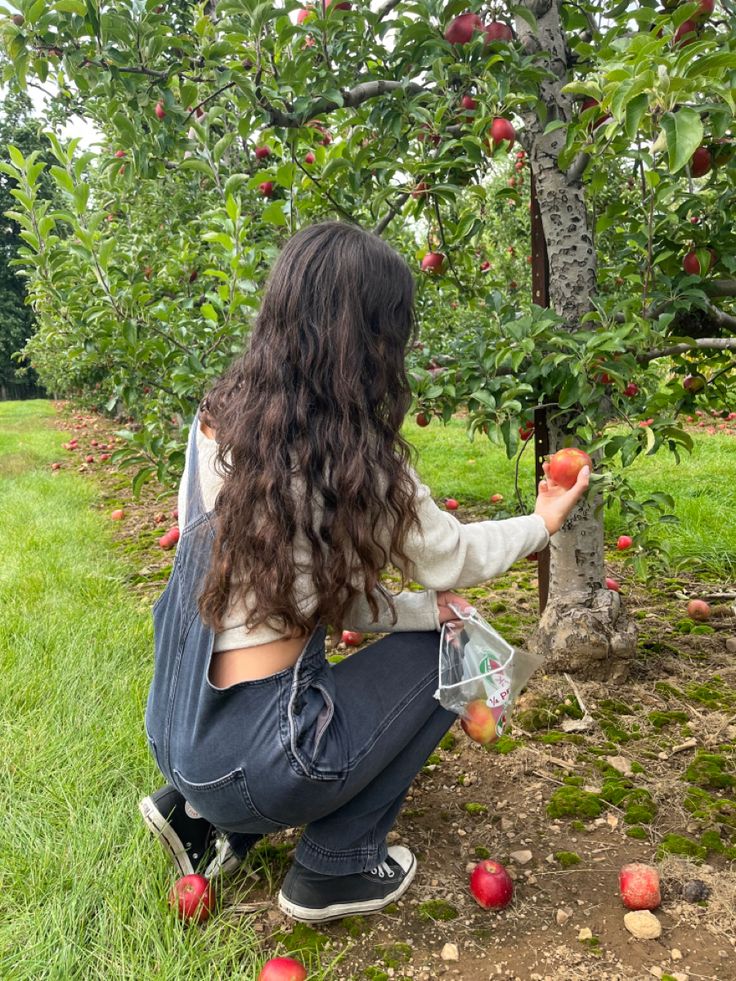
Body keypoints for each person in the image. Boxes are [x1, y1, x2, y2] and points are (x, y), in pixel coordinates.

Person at [139, 220, 589, 924]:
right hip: (261, 757)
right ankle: (336, 867)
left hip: (175, 725)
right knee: (465, 645)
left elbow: (316, 599)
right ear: (375, 340)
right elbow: (455, 557)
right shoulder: (356, 458)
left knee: (414, 626)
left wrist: (417, 609)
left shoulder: (217, 422)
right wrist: (543, 522)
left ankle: (200, 815)